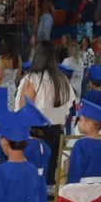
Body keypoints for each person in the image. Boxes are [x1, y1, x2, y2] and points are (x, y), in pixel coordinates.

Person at [15, 40, 72, 185]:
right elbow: (67, 112)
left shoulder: (33, 78)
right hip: (56, 133)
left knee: (31, 178)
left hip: (35, 134)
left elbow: (24, 111)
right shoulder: (63, 80)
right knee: (49, 176)